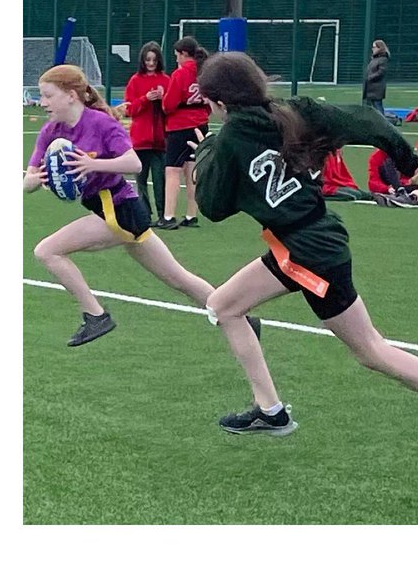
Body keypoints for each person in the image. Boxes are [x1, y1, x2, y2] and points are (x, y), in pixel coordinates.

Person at [191, 51, 418, 464]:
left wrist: (206, 153)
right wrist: (407, 158)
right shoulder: (295, 111)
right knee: (223, 305)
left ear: (220, 102)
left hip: (308, 253)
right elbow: (368, 118)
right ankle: (269, 411)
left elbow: (213, 207)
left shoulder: (233, 137)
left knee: (371, 351)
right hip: (308, 242)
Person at [24, 65, 262, 356]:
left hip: (120, 209)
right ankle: (243, 319)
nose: (42, 102)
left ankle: (95, 316)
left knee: (47, 251)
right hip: (109, 211)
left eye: (48, 96)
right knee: (178, 278)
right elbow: (28, 181)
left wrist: (92, 164)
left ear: (71, 95)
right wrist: (34, 180)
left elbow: (133, 164)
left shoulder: (100, 124)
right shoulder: (51, 131)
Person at [156, 36, 209, 230]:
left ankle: (168, 216)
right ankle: (191, 214)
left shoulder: (180, 74)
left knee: (172, 170)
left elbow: (169, 104)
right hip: (200, 124)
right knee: (192, 171)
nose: (176, 59)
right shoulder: (205, 72)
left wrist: (164, 102)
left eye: (177, 55)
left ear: (184, 54)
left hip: (180, 126)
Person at [120, 41, 168, 220]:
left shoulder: (166, 80)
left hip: (160, 140)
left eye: (154, 60)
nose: (151, 63)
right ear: (143, 60)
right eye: (148, 60)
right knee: (141, 181)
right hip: (140, 140)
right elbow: (129, 109)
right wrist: (146, 99)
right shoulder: (135, 80)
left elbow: (171, 109)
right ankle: (145, 215)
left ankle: (163, 215)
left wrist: (164, 99)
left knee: (160, 180)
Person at [361, 39, 390, 113]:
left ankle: (382, 122)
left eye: (374, 47)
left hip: (377, 88)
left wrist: (370, 77)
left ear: (379, 48)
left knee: (378, 106)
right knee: (372, 107)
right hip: (370, 87)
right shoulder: (374, 59)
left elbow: (381, 72)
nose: (372, 49)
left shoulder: (383, 59)